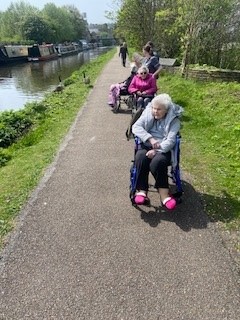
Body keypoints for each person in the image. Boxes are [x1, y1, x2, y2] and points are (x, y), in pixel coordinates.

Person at [131, 93, 183, 210]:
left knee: (157, 162)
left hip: (164, 148)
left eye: (159, 109)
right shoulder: (148, 113)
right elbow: (136, 127)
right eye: (154, 108)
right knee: (140, 157)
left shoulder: (174, 121)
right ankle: (142, 191)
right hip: (148, 143)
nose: (155, 111)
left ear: (166, 110)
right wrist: (150, 138)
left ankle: (164, 195)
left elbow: (170, 141)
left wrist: (156, 150)